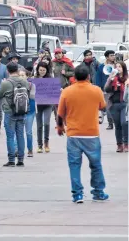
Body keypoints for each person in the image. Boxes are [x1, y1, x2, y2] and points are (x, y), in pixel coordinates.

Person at [57, 64, 109, 203]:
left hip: (73, 134)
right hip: (91, 134)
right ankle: (98, 192)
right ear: (88, 76)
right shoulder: (96, 90)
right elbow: (103, 106)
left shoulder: (67, 91)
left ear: (74, 77)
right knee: (96, 164)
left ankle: (77, 194)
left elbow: (60, 113)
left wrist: (60, 127)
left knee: (74, 165)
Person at [0, 63, 34, 167]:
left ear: (8, 71)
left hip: (10, 111)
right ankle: (21, 160)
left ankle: (11, 159)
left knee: (10, 136)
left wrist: (2, 84)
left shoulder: (6, 83)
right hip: (22, 110)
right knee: (20, 135)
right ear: (17, 70)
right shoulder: (25, 81)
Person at [104, 61, 128, 152]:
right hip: (114, 104)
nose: (118, 68)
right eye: (116, 66)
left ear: (123, 69)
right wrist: (110, 79)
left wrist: (125, 85)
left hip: (124, 104)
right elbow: (106, 89)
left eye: (120, 67)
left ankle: (126, 143)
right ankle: (119, 145)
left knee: (124, 123)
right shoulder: (112, 77)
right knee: (117, 125)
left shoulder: (127, 78)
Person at [34, 63, 53, 154]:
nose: (42, 72)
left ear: (47, 70)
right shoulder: (34, 79)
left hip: (48, 104)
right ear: (37, 70)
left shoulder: (50, 79)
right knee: (39, 125)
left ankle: (46, 143)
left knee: (46, 123)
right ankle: (39, 145)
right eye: (40, 70)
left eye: (44, 70)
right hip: (38, 105)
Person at [96, 50, 117, 129]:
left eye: (114, 55)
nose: (113, 57)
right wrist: (99, 88)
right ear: (107, 57)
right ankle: (110, 123)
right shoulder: (101, 67)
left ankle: (116, 121)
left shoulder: (117, 65)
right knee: (108, 106)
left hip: (116, 89)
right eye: (111, 55)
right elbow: (98, 78)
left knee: (116, 105)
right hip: (106, 89)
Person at [19, 69, 36, 157]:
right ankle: (19, 150)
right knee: (19, 132)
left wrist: (24, 88)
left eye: (23, 75)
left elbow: (32, 96)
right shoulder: (15, 85)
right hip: (19, 111)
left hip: (30, 110)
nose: (21, 77)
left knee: (28, 132)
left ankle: (30, 149)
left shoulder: (31, 85)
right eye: (20, 75)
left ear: (27, 76)